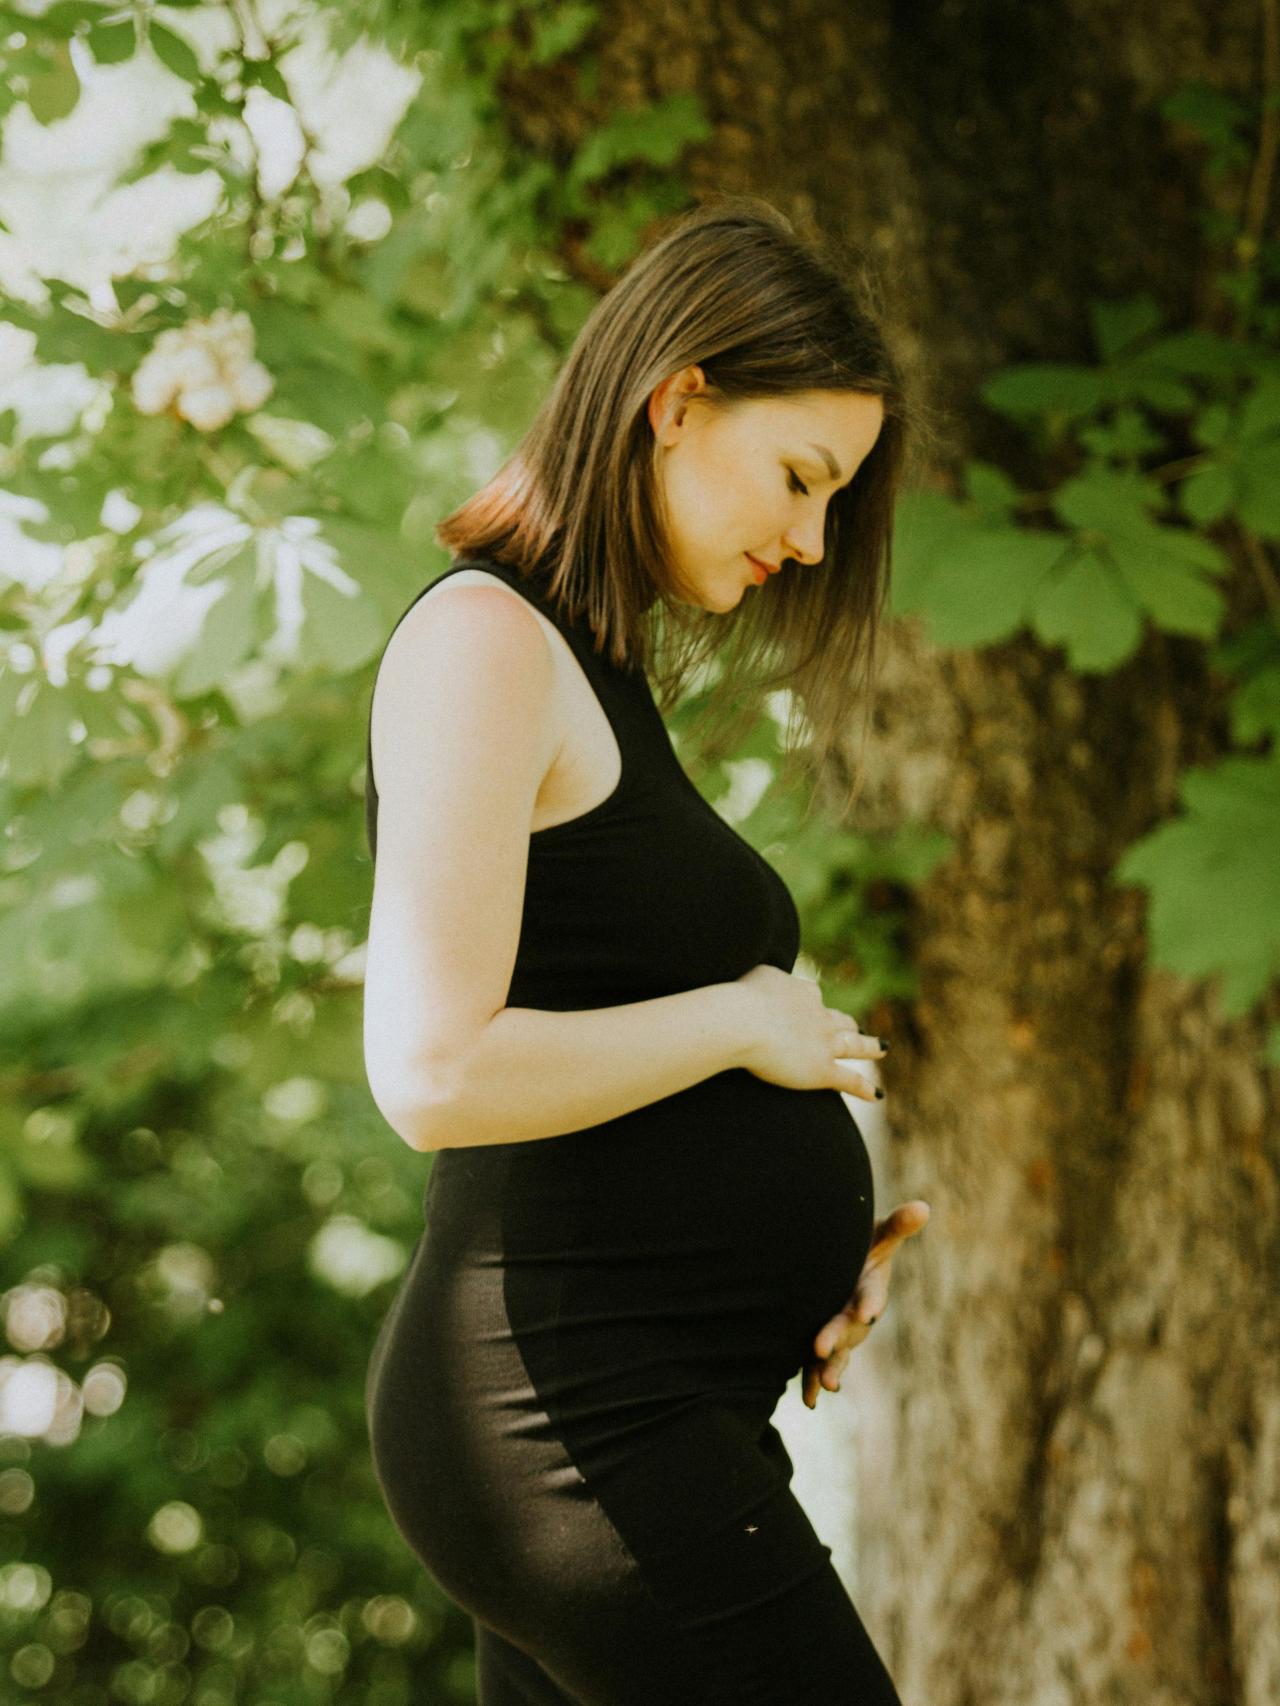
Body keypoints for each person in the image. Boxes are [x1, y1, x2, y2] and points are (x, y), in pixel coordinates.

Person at [362, 195, 930, 1705]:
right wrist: (746, 1023)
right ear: (676, 401)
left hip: (642, 1401)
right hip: (569, 1423)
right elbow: (432, 1070)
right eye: (800, 479)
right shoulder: (486, 640)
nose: (810, 542)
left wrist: (792, 1262)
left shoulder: (588, 670)